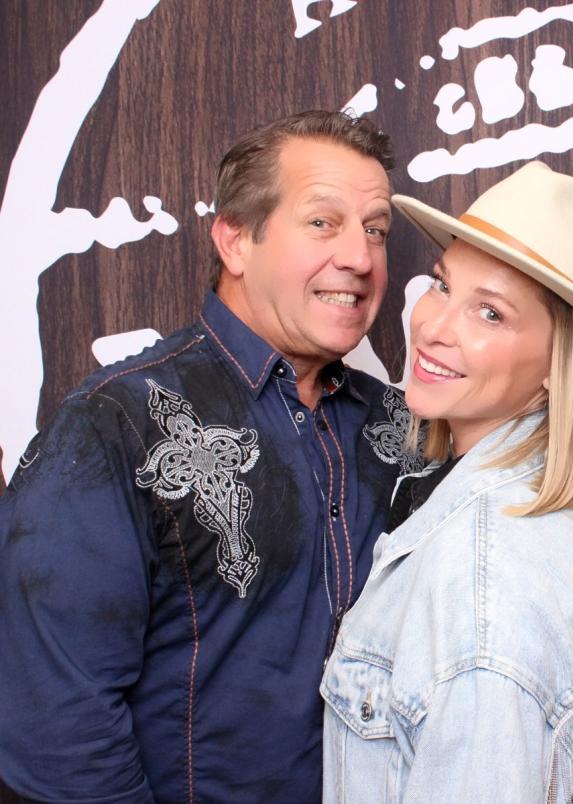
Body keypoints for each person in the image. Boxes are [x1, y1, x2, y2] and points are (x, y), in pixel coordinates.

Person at [0, 110, 418, 801]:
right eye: (323, 222)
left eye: (375, 230)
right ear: (235, 240)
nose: (360, 257)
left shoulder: (402, 427)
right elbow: (57, 727)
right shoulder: (114, 425)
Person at [320, 161, 573, 802]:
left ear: (557, 365)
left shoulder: (488, 586)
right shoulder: (539, 495)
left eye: (490, 313)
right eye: (443, 286)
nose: (434, 327)